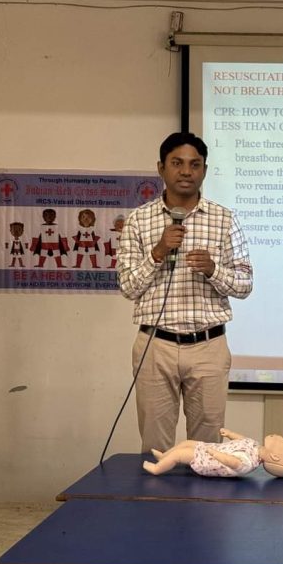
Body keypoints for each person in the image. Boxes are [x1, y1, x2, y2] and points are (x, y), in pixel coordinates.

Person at [117, 132, 253, 453]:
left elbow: (245, 284)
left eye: (195, 164)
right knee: (155, 447)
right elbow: (128, 286)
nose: (186, 172)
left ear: (204, 170)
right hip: (155, 346)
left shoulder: (224, 220)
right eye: (177, 163)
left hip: (208, 346)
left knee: (207, 450)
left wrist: (213, 269)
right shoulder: (138, 221)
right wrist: (158, 252)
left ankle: (202, 489)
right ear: (161, 168)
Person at [142, 428, 283, 478]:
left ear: (274, 456)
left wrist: (216, 455)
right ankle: (164, 457)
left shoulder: (248, 461)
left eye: (281, 441)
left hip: (210, 461)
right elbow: (242, 440)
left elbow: (233, 462)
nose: (278, 436)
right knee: (187, 443)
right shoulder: (255, 445)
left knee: (180, 455)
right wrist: (230, 434)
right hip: (212, 449)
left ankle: (157, 469)